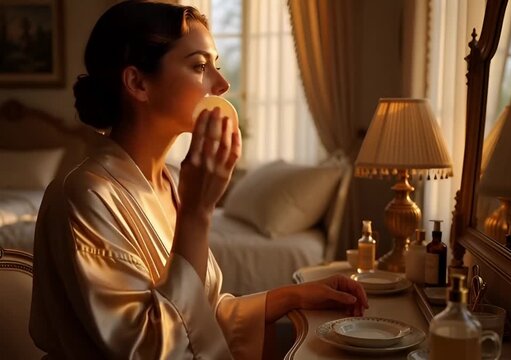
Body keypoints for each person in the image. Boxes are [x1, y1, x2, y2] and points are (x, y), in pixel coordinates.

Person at [29, 1, 368, 359]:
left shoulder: (167, 182)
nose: (221, 84)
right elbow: (149, 348)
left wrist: (289, 296)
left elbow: (196, 314)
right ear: (138, 82)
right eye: (200, 66)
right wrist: (198, 211)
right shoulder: (84, 195)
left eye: (216, 66)